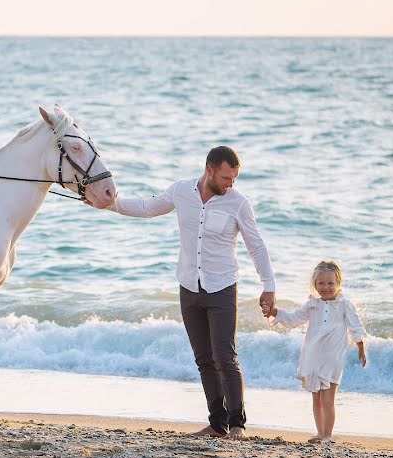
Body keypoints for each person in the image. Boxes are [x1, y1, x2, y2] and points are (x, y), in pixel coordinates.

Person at [91, 146, 275, 440]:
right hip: (189, 287)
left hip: (222, 288)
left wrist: (269, 286)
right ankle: (217, 424)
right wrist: (109, 204)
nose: (231, 184)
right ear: (209, 170)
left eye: (234, 178)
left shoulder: (238, 203)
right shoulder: (181, 191)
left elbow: (256, 245)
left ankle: (237, 424)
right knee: (203, 358)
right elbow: (146, 208)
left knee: (224, 356)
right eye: (227, 177)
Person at [265, 260, 367, 443]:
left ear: (338, 284)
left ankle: (327, 436)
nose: (326, 287)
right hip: (313, 356)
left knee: (328, 399)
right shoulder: (312, 305)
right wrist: (275, 312)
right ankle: (320, 434)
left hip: (333, 357)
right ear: (315, 285)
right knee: (317, 399)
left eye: (330, 283)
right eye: (321, 283)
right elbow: (293, 319)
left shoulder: (344, 304)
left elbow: (355, 326)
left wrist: (361, 347)